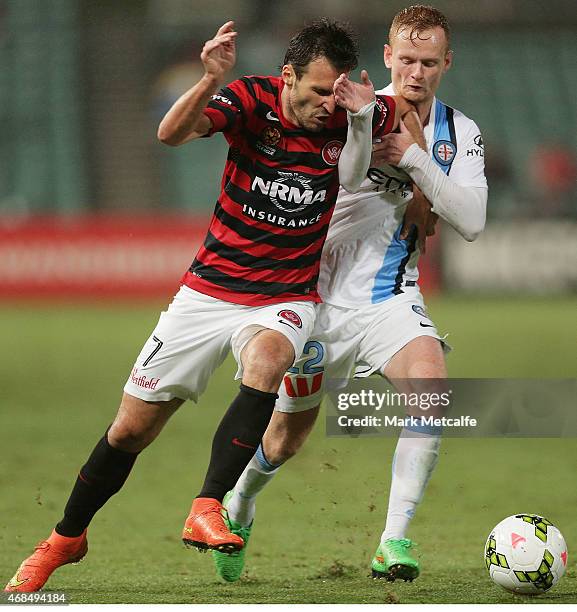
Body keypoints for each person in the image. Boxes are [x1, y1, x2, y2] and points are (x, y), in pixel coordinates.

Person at [4, 19, 424, 593]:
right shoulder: (250, 98)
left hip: (286, 295)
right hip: (208, 291)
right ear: (287, 77)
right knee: (129, 431)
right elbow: (170, 134)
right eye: (317, 91)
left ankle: (208, 504)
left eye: (338, 91)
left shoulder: (353, 108)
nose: (328, 104)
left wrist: (419, 176)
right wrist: (207, 79)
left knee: (270, 359)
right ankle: (64, 540)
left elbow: (405, 103)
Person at [212, 4, 488, 584]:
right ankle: (239, 502)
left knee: (432, 393)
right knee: (286, 439)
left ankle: (394, 540)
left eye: (429, 62)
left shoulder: (460, 132)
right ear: (387, 57)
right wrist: (367, 128)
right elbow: (340, 177)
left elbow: (473, 219)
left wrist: (414, 163)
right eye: (407, 59)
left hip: (389, 297)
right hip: (312, 298)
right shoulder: (343, 110)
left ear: (447, 63)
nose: (417, 73)